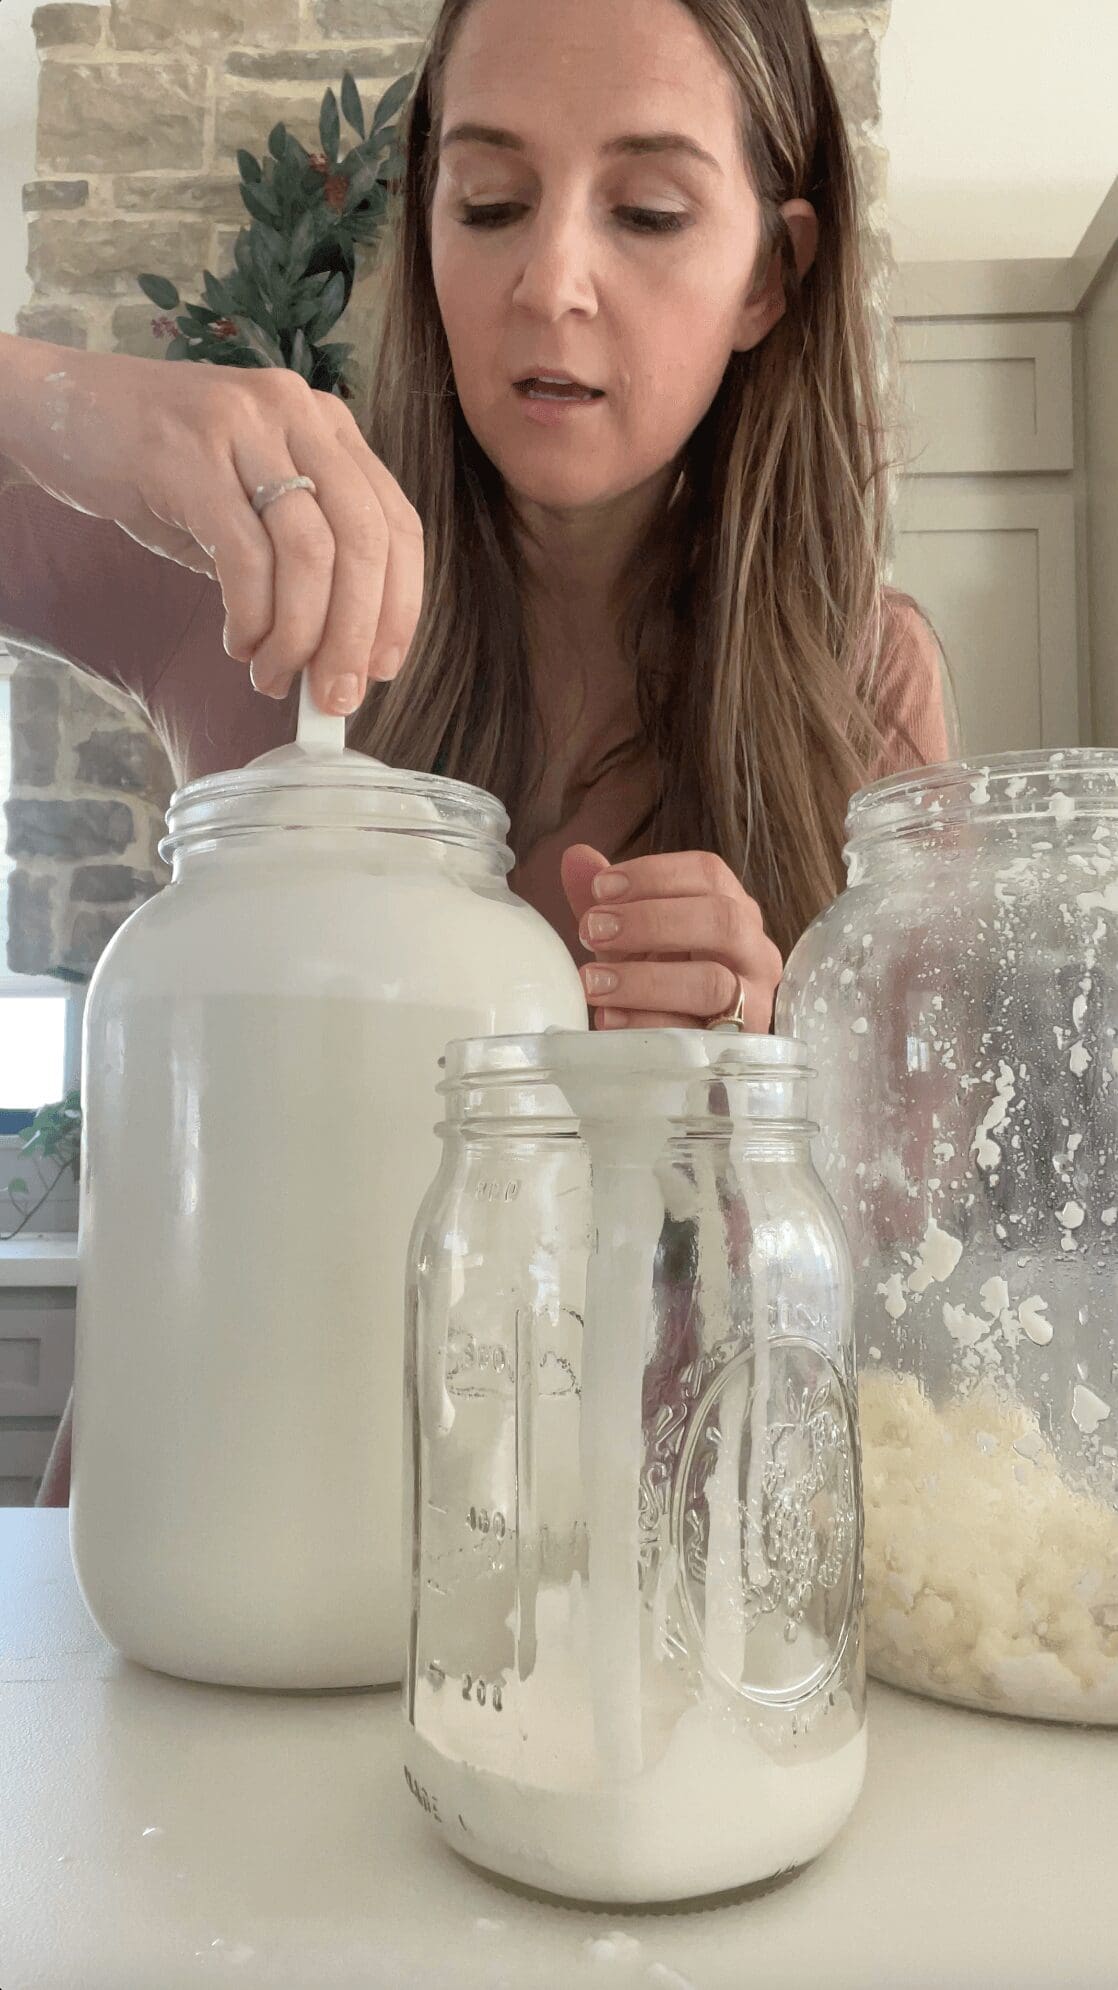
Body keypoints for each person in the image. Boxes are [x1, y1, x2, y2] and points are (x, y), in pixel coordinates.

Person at [1, 0, 949, 1508]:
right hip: (182, 1602)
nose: (547, 281)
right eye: (490, 202)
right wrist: (63, 402)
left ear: (773, 272)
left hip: (600, 1635)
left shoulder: (863, 680)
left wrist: (777, 1093)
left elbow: (910, 1290)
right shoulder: (253, 570)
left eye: (644, 212)